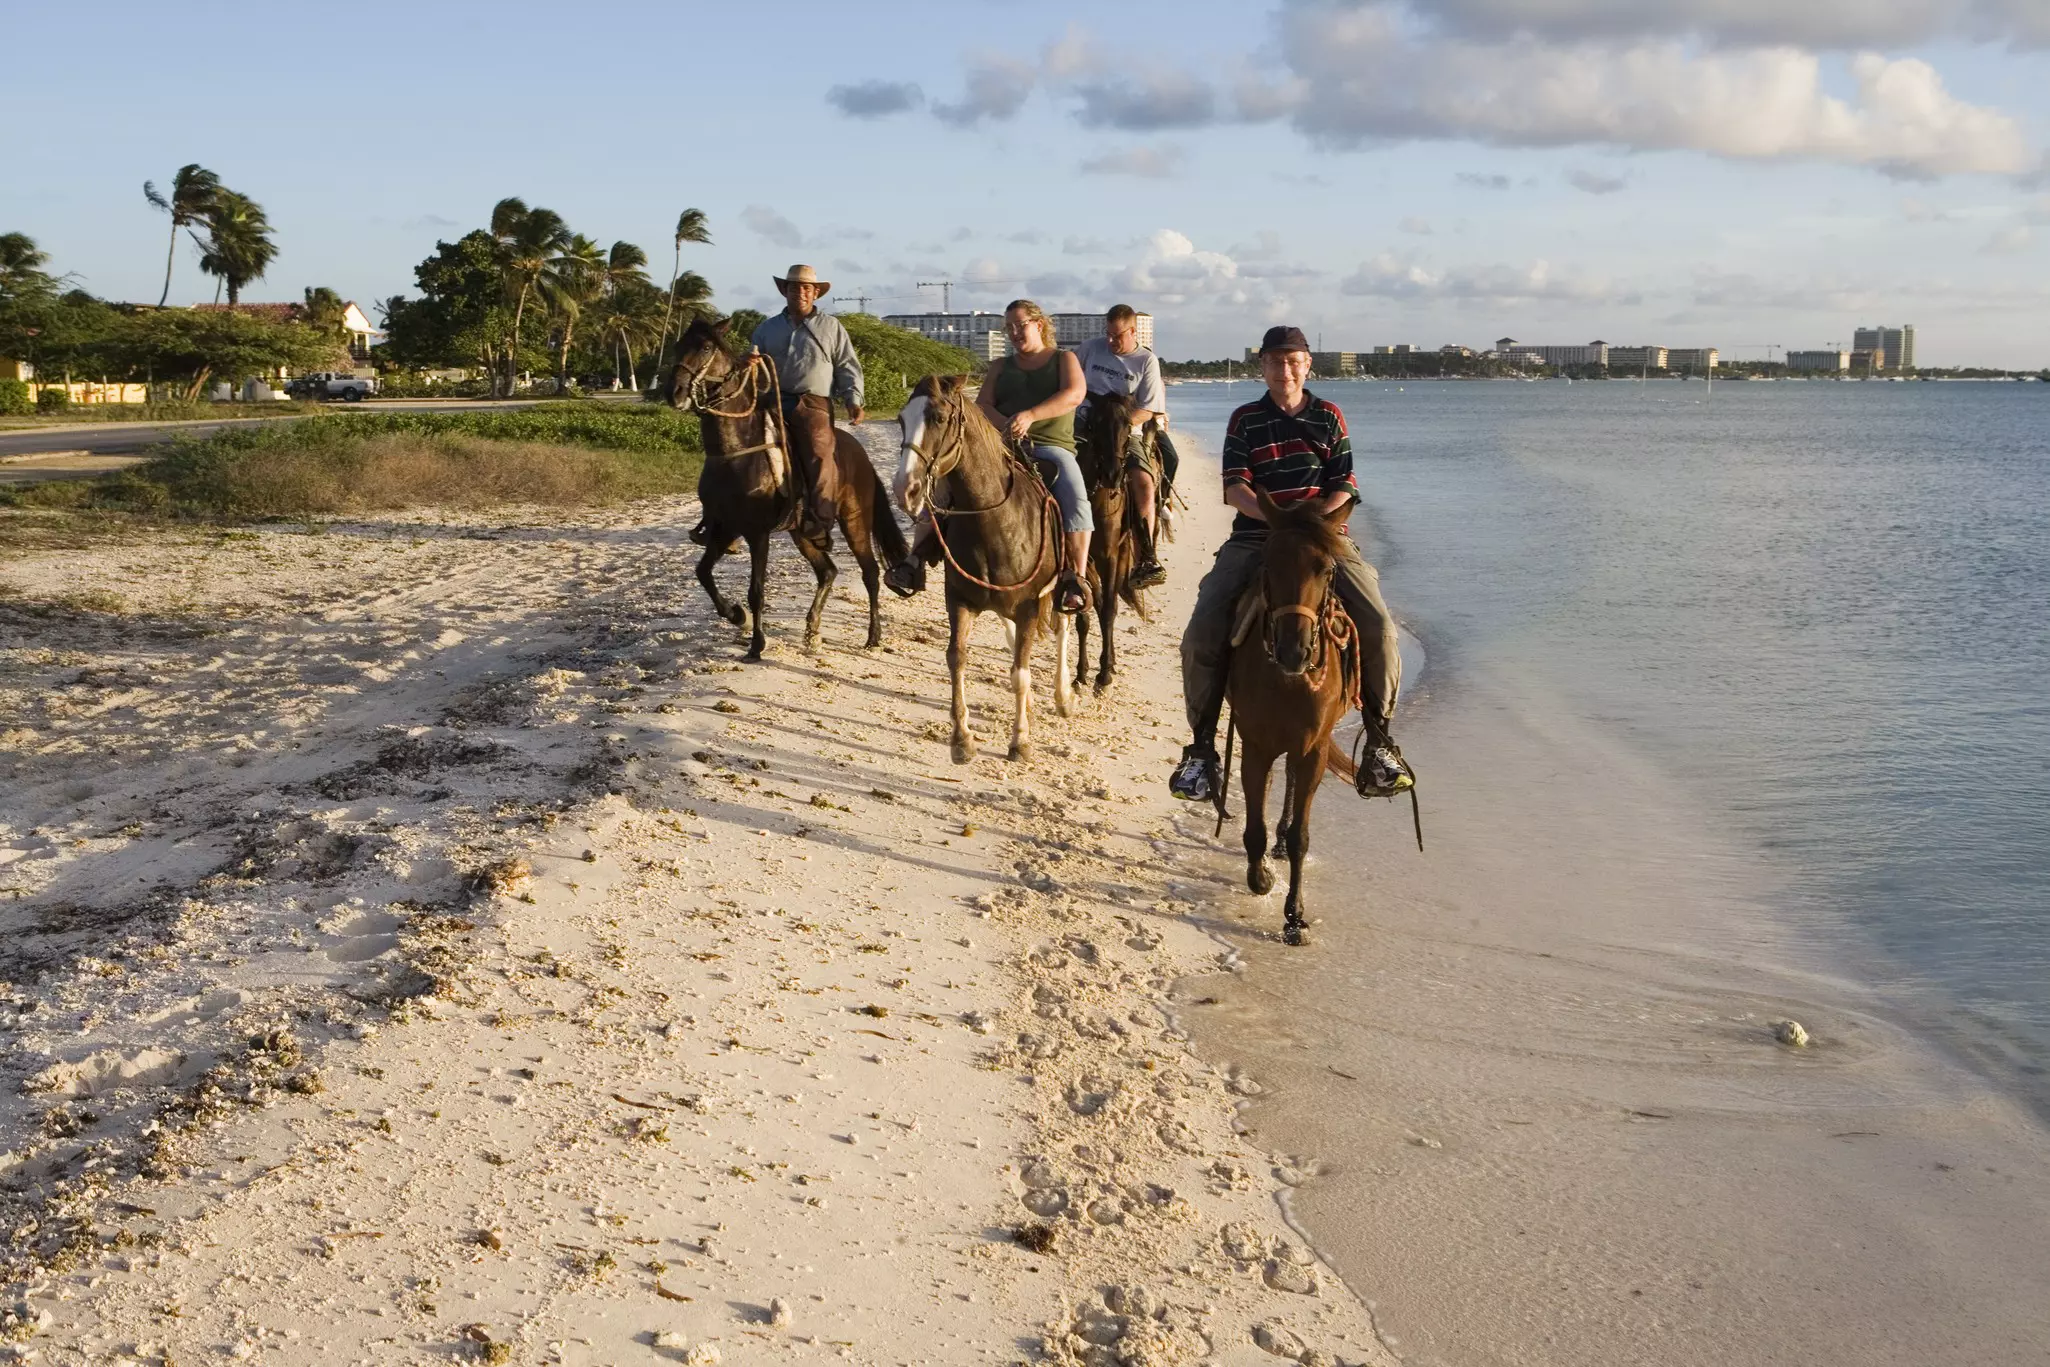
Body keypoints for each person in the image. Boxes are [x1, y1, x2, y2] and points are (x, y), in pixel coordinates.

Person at [1170, 324, 1414, 803]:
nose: (1284, 369)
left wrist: (1311, 522)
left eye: (1293, 360)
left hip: (1323, 538)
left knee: (1381, 628)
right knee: (1202, 631)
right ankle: (1201, 750)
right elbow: (1235, 487)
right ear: (1262, 365)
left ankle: (1380, 743)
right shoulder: (1245, 419)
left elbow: (1345, 484)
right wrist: (1278, 520)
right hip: (1257, 537)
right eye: (1275, 361)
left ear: (1307, 365)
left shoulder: (1328, 416)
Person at [887, 299, 1093, 614]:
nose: (1014, 332)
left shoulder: (1064, 359)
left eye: (1020, 325)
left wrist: (1030, 416)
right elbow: (983, 406)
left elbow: (1074, 395)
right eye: (1008, 327)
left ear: (1039, 324)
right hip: (1001, 447)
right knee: (942, 493)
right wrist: (1007, 425)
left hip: (1051, 446)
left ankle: (1074, 577)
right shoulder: (1001, 366)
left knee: (1076, 499)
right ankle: (913, 561)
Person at [747, 264, 864, 537]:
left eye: (805, 288)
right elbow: (753, 364)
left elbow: (847, 365)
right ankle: (729, 516)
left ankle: (821, 517)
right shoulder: (767, 328)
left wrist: (853, 400)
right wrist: (748, 363)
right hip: (772, 401)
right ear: (785, 291)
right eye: (793, 287)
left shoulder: (831, 327)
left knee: (818, 450)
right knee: (737, 446)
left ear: (814, 294)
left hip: (812, 403)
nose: (799, 292)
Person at [1072, 304, 1171, 589]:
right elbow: (1070, 382)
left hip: (1124, 429)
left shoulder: (1145, 360)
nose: (1112, 341)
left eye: (1118, 336)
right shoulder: (1090, 349)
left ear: (1132, 331)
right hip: (1083, 423)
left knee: (1144, 482)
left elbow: (1148, 409)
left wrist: (1120, 425)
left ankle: (1146, 556)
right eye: (1108, 334)